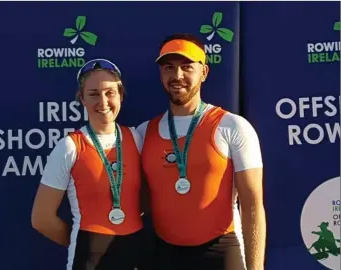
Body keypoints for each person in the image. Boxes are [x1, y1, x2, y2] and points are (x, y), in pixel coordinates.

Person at [137, 33, 266, 270]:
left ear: (204, 72)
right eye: (169, 68)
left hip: (222, 251)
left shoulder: (233, 126)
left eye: (187, 67)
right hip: (165, 255)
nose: (177, 76)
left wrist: (256, 268)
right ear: (161, 74)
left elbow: (252, 205)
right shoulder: (144, 133)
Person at [32, 58, 149, 270]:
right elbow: (42, 218)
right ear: (82, 99)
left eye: (109, 93)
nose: (103, 102)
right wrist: (85, 243)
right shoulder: (69, 147)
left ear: (121, 96)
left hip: (135, 255)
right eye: (93, 94)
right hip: (89, 259)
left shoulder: (137, 138)